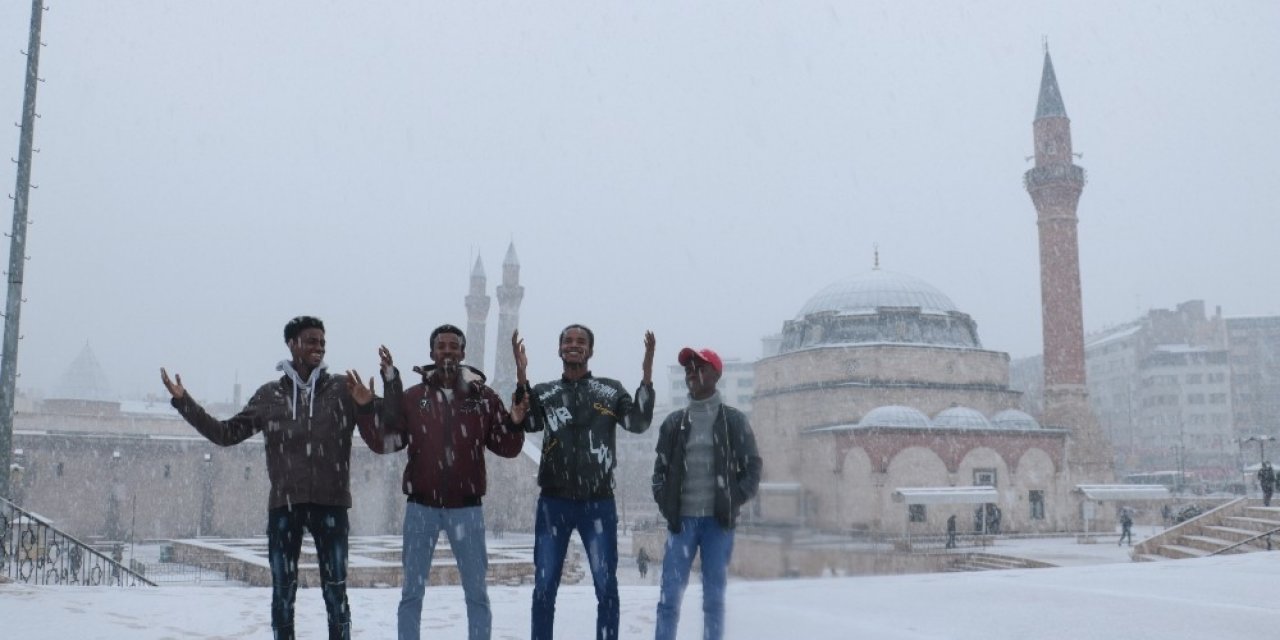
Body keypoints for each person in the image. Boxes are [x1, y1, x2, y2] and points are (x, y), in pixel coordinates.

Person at [161, 316, 376, 640]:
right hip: (284, 507)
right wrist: (183, 402)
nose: (319, 346)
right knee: (283, 594)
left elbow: (385, 431)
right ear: (292, 345)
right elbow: (226, 433)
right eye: (311, 340)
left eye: (322, 341)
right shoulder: (270, 396)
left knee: (336, 592)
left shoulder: (343, 391)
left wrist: (371, 404)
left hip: (331, 505)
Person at [352, 325, 527, 640]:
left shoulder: (482, 398)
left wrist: (514, 422)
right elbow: (386, 442)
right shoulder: (414, 398)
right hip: (422, 508)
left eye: (453, 346)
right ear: (432, 353)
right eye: (441, 346)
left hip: (467, 510)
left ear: (462, 353)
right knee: (412, 594)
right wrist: (365, 409)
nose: (447, 351)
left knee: (476, 594)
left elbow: (508, 447)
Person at [513, 325, 655, 640]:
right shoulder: (546, 392)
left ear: (590, 351)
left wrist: (646, 376)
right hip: (554, 502)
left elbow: (639, 422)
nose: (573, 345)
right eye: (567, 341)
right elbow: (529, 420)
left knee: (606, 586)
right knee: (545, 586)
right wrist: (522, 376)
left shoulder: (610, 389)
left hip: (598, 504)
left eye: (581, 342)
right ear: (559, 349)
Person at [651, 347, 762, 640]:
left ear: (715, 373)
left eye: (698, 366)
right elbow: (659, 472)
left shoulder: (733, 421)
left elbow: (753, 467)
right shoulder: (674, 423)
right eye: (687, 368)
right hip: (682, 524)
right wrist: (666, 503)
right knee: (669, 599)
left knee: (713, 601)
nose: (691, 372)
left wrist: (733, 498)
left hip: (718, 524)